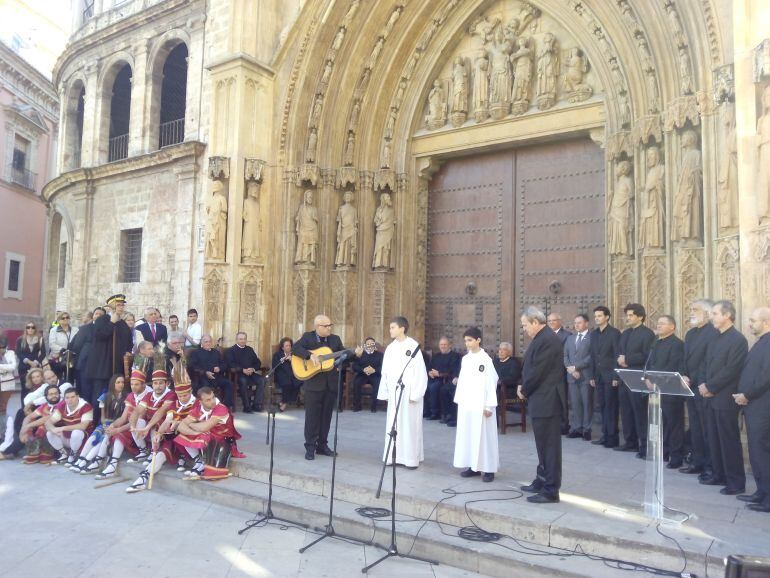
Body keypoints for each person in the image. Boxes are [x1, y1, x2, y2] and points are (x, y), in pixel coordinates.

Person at [518, 306, 566, 503]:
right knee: (542, 444)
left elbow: (538, 371)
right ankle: (542, 479)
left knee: (550, 446)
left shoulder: (547, 340)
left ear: (535, 322)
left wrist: (524, 389)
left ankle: (551, 490)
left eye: (525, 325)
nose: (524, 329)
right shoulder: (542, 337)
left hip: (548, 400)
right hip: (541, 400)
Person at [699, 301, 747, 495]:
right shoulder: (715, 338)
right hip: (709, 396)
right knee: (713, 438)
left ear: (727, 315)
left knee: (728, 440)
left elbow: (732, 370)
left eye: (716, 313)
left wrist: (711, 386)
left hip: (725, 398)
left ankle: (735, 482)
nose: (712, 317)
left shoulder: (738, 340)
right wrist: (702, 384)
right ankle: (718, 474)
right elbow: (705, 364)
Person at [126, 371, 199, 492]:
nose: (181, 397)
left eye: (184, 394)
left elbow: (161, 413)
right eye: (179, 394)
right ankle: (143, 478)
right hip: (169, 436)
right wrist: (158, 433)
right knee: (161, 452)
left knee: (164, 450)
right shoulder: (175, 403)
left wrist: (152, 429)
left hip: (185, 440)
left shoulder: (193, 403)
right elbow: (166, 420)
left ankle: (197, 461)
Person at [377, 316, 428, 469]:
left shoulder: (413, 346)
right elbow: (385, 372)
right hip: (395, 393)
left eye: (393, 327)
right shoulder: (390, 348)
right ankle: (394, 456)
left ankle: (411, 459)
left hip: (409, 394)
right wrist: (385, 392)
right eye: (390, 327)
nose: (390, 330)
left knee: (410, 425)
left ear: (402, 328)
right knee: (394, 425)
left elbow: (420, 372)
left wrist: (416, 394)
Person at [293, 315, 346, 460]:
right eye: (326, 326)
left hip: (330, 384)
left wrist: (355, 354)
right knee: (312, 417)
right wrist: (309, 356)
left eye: (330, 325)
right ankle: (310, 447)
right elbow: (295, 348)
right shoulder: (308, 337)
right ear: (317, 327)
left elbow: (345, 355)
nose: (330, 328)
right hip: (313, 384)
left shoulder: (335, 339)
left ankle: (322, 445)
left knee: (326, 417)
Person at [733, 307, 770, 512]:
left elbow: (766, 376)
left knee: (762, 451)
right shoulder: (761, 342)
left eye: (753, 320)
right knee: (756, 452)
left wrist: (747, 395)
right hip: (754, 406)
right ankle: (761, 491)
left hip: (763, 407)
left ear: (765, 322)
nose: (749, 324)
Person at [454, 327, 499, 482]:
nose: (467, 343)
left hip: (481, 405)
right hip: (468, 404)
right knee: (470, 435)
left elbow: (492, 381)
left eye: (470, 340)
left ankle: (488, 469)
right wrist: (460, 400)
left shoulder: (485, 359)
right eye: (465, 340)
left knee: (484, 437)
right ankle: (473, 466)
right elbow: (462, 381)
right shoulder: (465, 359)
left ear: (478, 340)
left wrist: (489, 405)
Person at [680, 299, 719, 476]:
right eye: (691, 309)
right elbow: (684, 358)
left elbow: (708, 362)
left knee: (707, 429)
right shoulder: (690, 333)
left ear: (707, 313)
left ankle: (710, 465)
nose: (691, 312)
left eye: (695, 309)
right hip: (689, 386)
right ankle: (697, 461)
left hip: (703, 387)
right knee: (695, 427)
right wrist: (683, 375)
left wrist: (695, 379)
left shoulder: (713, 332)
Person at [174, 386, 242, 480]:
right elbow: (181, 426)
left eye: (213, 397)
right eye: (208, 400)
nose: (212, 401)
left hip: (223, 440)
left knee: (213, 474)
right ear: (201, 402)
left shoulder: (221, 408)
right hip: (209, 437)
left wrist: (192, 425)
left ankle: (203, 463)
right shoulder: (198, 409)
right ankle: (198, 461)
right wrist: (193, 432)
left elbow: (205, 427)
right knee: (184, 434)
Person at [94, 369, 152, 480]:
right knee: (112, 433)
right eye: (131, 384)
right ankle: (107, 463)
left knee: (134, 425)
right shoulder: (131, 395)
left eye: (136, 384)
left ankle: (144, 450)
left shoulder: (148, 395)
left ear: (143, 385)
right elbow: (123, 418)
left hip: (144, 429)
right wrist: (113, 426)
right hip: (131, 428)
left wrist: (118, 429)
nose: (133, 387)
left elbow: (136, 420)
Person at [616, 303, 655, 458]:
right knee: (626, 411)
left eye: (631, 315)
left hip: (639, 378)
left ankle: (644, 446)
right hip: (624, 377)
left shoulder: (647, 334)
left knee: (640, 413)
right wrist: (621, 360)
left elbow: (648, 356)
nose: (628, 317)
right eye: (627, 315)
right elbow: (619, 353)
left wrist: (628, 360)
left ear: (640, 316)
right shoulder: (625, 333)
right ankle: (630, 442)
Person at [647, 316, 686, 468]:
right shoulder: (655, 342)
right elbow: (650, 362)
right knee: (660, 423)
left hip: (670, 390)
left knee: (674, 425)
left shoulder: (677, 344)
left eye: (662, 324)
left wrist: (656, 380)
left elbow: (672, 366)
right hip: (655, 390)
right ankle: (662, 452)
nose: (659, 326)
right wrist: (648, 377)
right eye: (658, 323)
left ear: (672, 327)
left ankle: (676, 457)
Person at [70, 373, 127, 473]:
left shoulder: (126, 398)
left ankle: (87, 461)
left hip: (117, 424)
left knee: (102, 440)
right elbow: (103, 416)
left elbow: (123, 417)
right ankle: (81, 459)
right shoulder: (105, 396)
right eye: (118, 382)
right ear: (113, 383)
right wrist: (104, 424)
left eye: (122, 382)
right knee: (93, 437)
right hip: (105, 423)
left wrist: (111, 427)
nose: (120, 384)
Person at [128, 368, 177, 465]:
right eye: (155, 383)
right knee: (137, 421)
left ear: (166, 384)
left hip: (165, 426)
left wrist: (147, 427)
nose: (157, 386)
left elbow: (161, 412)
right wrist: (132, 426)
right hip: (151, 424)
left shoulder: (171, 394)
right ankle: (143, 450)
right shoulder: (149, 394)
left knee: (155, 425)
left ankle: (153, 452)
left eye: (160, 383)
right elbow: (137, 410)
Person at [0, 384, 61, 463]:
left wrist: (28, 426)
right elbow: (29, 417)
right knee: (24, 417)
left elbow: (48, 418)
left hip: (58, 431)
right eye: (51, 394)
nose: (54, 396)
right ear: (46, 396)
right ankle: (29, 452)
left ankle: (42, 453)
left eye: (56, 393)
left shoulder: (61, 404)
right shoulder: (45, 405)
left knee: (42, 426)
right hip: (47, 430)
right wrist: (23, 430)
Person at [590, 306, 621, 448]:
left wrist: (616, 376)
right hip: (599, 377)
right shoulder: (594, 334)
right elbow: (593, 356)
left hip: (610, 376)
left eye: (600, 316)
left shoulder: (614, 333)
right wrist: (592, 375)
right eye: (595, 316)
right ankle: (605, 435)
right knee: (602, 406)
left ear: (607, 317)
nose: (597, 318)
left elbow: (616, 355)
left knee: (611, 407)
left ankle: (612, 438)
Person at [45, 388, 94, 466]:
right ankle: (64, 455)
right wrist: (53, 429)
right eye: (67, 398)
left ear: (78, 397)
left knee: (77, 432)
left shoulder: (86, 406)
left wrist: (62, 428)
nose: (70, 400)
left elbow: (83, 426)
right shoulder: (62, 405)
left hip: (83, 439)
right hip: (69, 437)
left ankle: (72, 456)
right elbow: (48, 422)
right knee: (49, 433)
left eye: (72, 397)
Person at [563, 314, 593, 440]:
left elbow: (591, 356)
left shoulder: (592, 338)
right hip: (572, 376)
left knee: (586, 403)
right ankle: (577, 428)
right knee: (575, 404)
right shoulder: (570, 338)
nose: (576, 325)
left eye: (579, 322)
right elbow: (565, 356)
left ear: (586, 323)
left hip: (585, 375)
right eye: (575, 323)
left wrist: (577, 367)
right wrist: (570, 369)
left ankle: (587, 429)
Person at [188, 335, 235, 410]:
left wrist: (219, 368)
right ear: (201, 343)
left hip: (216, 377)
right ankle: (209, 407)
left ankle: (226, 407)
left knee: (229, 384)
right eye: (206, 342)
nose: (208, 343)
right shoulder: (196, 353)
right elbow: (192, 366)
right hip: (202, 377)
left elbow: (224, 364)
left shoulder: (216, 352)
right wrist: (205, 372)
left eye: (210, 341)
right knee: (206, 386)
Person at [69, 307, 105, 402]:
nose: (98, 316)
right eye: (96, 313)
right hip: (85, 364)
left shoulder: (108, 330)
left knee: (97, 392)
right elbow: (77, 345)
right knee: (85, 390)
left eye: (101, 314)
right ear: (92, 316)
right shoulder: (85, 328)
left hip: (100, 367)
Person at [225, 332, 265, 413]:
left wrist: (253, 369)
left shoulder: (249, 350)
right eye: (240, 339)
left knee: (262, 380)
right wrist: (242, 370)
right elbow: (230, 364)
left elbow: (257, 362)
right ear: (236, 340)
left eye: (244, 339)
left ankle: (256, 405)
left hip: (250, 373)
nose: (243, 341)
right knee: (243, 381)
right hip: (237, 374)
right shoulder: (231, 350)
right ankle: (246, 406)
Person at [424, 337, 461, 424]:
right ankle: (427, 412)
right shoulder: (437, 356)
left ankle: (435, 413)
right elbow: (429, 367)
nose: (443, 346)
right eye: (441, 345)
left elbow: (453, 371)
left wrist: (440, 374)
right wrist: (429, 372)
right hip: (433, 378)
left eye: (445, 344)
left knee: (434, 387)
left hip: (445, 379)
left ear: (449, 345)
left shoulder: (455, 356)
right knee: (424, 386)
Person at [547, 312, 572, 435]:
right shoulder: (545, 334)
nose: (551, 323)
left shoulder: (567, 335)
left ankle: (564, 425)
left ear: (560, 321)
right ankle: (553, 424)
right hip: (547, 373)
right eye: (549, 321)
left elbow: (566, 354)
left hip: (561, 372)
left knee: (562, 399)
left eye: (554, 320)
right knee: (551, 400)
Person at [351, 337, 383, 412]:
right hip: (362, 375)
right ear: (365, 345)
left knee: (378, 384)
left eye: (371, 344)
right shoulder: (360, 354)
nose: (370, 345)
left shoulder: (380, 355)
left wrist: (374, 370)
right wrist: (363, 370)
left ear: (374, 345)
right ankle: (357, 406)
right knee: (356, 383)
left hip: (375, 375)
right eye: (368, 344)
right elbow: (354, 366)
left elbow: (383, 367)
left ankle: (373, 407)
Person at [15, 322, 46, 396]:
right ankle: (24, 407)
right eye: (28, 327)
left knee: (36, 388)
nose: (30, 329)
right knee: (25, 388)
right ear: (26, 329)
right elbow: (18, 353)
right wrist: (28, 361)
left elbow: (43, 353)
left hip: (36, 367)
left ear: (35, 329)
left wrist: (36, 362)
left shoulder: (40, 339)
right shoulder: (20, 339)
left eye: (33, 327)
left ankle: (35, 407)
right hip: (23, 367)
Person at [0, 337, 20, 452]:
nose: (1, 350)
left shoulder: (10, 353)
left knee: (3, 408)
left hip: (7, 385)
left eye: (2, 348)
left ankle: (3, 434)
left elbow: (13, 367)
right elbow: (8, 368)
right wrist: (4, 369)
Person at [272, 338, 301, 412]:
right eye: (286, 346)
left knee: (298, 383)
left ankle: (283, 402)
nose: (289, 347)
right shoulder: (277, 355)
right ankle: (284, 404)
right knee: (287, 384)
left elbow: (298, 366)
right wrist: (283, 360)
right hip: (281, 376)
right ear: (282, 347)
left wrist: (292, 361)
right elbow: (274, 366)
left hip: (292, 375)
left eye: (290, 345)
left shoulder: (294, 355)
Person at [48, 311, 78, 382]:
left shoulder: (75, 330)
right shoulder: (54, 330)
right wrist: (63, 350)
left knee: (70, 379)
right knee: (57, 379)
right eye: (63, 318)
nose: (65, 319)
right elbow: (52, 344)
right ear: (59, 320)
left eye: (67, 317)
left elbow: (77, 343)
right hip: (57, 358)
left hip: (71, 359)